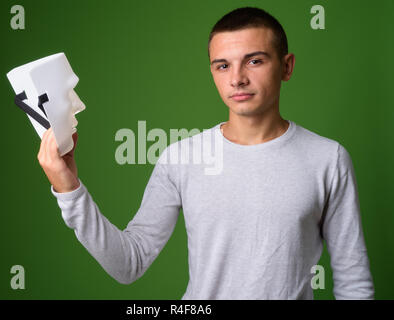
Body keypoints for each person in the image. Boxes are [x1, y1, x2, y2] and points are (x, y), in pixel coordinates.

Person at [37, 7, 374, 299]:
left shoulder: (328, 159)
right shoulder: (180, 158)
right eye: (222, 65)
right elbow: (130, 263)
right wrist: (69, 190)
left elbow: (353, 281)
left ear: (286, 67)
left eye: (254, 61)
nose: (237, 79)